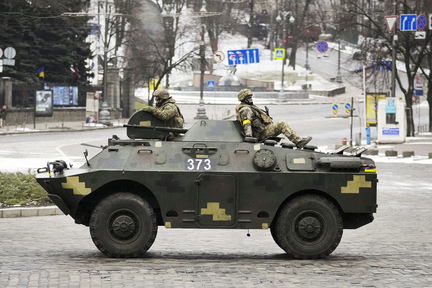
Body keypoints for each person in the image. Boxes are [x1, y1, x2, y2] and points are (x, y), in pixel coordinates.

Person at [236, 89, 312, 148]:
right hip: (260, 134)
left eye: (250, 97)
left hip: (262, 130)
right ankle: (298, 142)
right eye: (248, 98)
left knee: (281, 123)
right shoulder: (245, 109)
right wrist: (249, 137)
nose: (250, 99)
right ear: (243, 98)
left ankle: (298, 141)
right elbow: (246, 123)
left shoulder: (251, 107)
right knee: (282, 124)